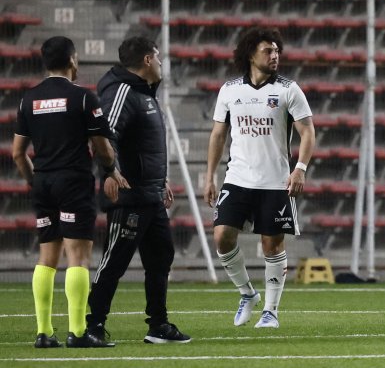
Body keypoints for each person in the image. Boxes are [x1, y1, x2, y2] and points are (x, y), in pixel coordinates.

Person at [13, 36, 128, 348]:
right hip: (73, 182)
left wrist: (32, 181)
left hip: (44, 183)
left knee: (47, 256)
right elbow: (102, 147)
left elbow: (17, 153)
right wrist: (110, 169)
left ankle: (43, 332)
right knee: (77, 256)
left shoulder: (28, 99)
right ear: (73, 60)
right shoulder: (82, 98)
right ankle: (77, 332)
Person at [204, 28, 315, 329]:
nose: (275, 55)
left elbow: (308, 132)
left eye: (277, 50)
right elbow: (218, 134)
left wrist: (301, 167)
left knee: (272, 244)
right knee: (222, 236)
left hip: (276, 181)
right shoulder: (229, 90)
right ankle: (246, 293)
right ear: (250, 54)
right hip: (238, 178)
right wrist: (210, 176)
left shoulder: (289, 89)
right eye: (268, 50)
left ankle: (271, 311)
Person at [85, 37, 190, 344]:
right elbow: (105, 134)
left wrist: (162, 181)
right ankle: (92, 326)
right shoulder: (121, 91)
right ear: (147, 60)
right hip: (129, 196)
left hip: (151, 195)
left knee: (161, 257)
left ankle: (158, 325)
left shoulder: (143, 93)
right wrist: (109, 173)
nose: (161, 63)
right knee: (114, 262)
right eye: (158, 57)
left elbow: (146, 145)